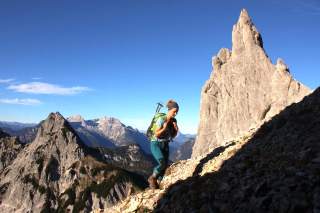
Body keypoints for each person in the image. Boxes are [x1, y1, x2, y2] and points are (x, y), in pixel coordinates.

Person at [148, 99, 179, 189]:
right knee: (161, 163)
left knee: (165, 166)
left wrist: (176, 129)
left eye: (177, 112)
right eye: (174, 111)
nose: (175, 114)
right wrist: (164, 128)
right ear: (169, 110)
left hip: (165, 144)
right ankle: (152, 178)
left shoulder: (174, 121)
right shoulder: (161, 119)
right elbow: (156, 134)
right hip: (155, 143)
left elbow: (172, 136)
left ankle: (158, 184)